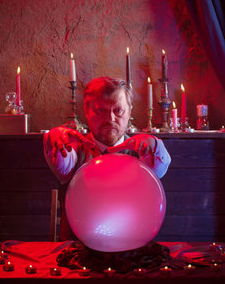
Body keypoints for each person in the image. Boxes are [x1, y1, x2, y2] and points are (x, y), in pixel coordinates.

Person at [44, 77, 171, 241]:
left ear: (129, 111)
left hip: (133, 252)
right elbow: (60, 162)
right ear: (87, 111)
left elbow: (162, 165)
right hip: (77, 255)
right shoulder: (73, 151)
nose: (110, 119)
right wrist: (52, 137)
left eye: (118, 111)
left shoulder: (145, 155)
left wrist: (154, 143)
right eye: (100, 111)